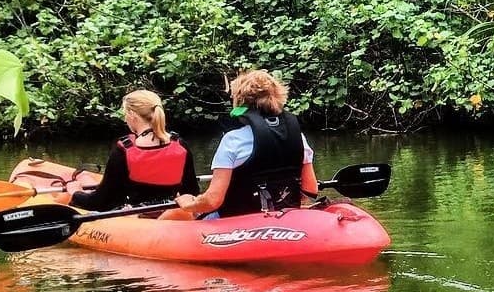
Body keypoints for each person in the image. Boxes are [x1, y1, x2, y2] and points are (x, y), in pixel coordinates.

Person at [173, 70, 317, 218]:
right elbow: (310, 189)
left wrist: (189, 203)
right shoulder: (299, 138)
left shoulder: (233, 140)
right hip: (284, 220)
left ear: (240, 101)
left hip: (239, 223)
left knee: (182, 216)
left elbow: (213, 200)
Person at [67, 90, 198, 212]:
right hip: (169, 213)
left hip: (135, 216)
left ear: (132, 115)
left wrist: (76, 193)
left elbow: (101, 202)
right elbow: (191, 193)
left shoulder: (124, 150)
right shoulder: (180, 145)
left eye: (125, 114)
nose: (125, 119)